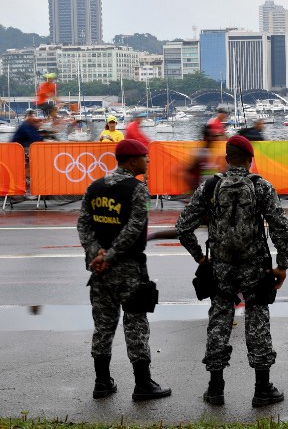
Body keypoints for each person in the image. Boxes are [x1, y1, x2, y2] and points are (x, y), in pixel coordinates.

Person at [175, 135, 288, 407]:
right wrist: (282, 265)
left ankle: (216, 388)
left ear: (227, 160)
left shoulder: (211, 187)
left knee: (219, 321)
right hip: (255, 266)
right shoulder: (261, 186)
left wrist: (201, 259)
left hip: (221, 267)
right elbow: (281, 229)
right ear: (251, 160)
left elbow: (183, 228)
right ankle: (262, 389)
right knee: (258, 321)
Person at [77, 139, 171, 401]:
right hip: (128, 269)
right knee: (136, 325)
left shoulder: (94, 187)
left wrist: (97, 254)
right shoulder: (137, 189)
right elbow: (134, 228)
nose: (148, 161)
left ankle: (102, 383)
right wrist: (113, 255)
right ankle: (143, 384)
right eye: (145, 157)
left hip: (100, 272)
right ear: (133, 161)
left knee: (103, 326)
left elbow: (83, 225)